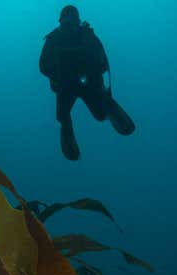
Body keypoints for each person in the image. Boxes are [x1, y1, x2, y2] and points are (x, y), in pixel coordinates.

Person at [39, 5, 135, 160]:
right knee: (64, 116)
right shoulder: (57, 38)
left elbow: (103, 62)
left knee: (97, 113)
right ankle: (107, 108)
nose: (69, 25)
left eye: (72, 21)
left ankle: (108, 107)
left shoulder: (83, 35)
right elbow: (43, 66)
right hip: (71, 84)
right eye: (67, 22)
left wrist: (94, 76)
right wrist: (60, 76)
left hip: (84, 83)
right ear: (61, 21)